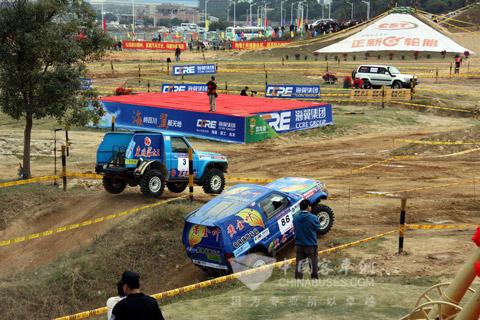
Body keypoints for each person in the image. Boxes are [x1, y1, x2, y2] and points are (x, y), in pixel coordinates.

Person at [293, 199, 320, 279]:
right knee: (313, 264)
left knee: (299, 264)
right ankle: (314, 279)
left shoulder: (295, 217)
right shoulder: (313, 217)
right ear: (308, 207)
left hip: (299, 245)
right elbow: (318, 227)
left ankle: (298, 280)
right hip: (310, 245)